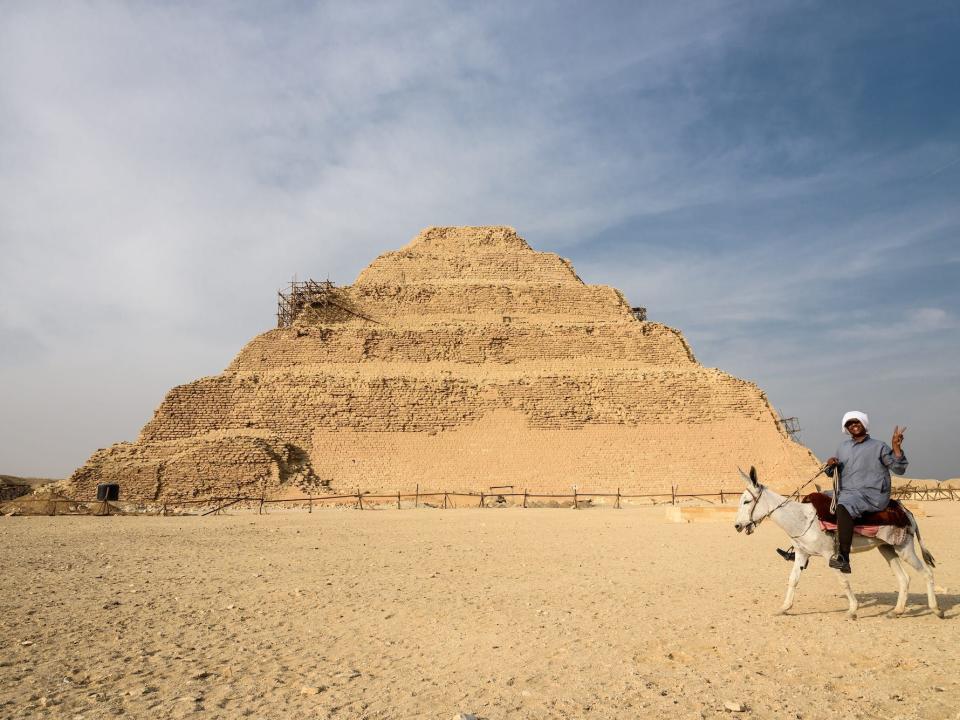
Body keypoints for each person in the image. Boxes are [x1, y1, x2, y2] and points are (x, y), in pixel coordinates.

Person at [824, 410, 908, 573]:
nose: (853, 425)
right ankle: (801, 548)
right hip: (848, 491)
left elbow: (899, 469)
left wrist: (896, 448)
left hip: (871, 493)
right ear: (846, 428)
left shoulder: (879, 446)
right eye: (849, 423)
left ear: (864, 424)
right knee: (817, 500)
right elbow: (832, 473)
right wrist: (830, 465)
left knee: (843, 505)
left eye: (856, 422)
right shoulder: (843, 447)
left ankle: (843, 557)